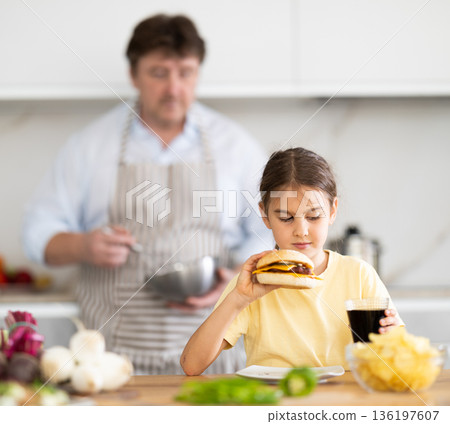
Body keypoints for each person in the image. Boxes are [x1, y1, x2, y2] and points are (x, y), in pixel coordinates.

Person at [22, 14, 272, 374]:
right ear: (133, 75)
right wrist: (82, 246)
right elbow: (37, 231)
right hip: (110, 363)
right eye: (158, 73)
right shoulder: (90, 146)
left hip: (213, 358)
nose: (173, 88)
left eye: (185, 73)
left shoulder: (235, 146)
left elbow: (269, 231)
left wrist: (234, 281)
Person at [180, 147, 403, 376]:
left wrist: (392, 340)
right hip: (273, 403)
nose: (301, 231)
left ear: (333, 210)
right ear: (265, 215)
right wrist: (238, 298)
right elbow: (192, 365)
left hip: (342, 403)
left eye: (313, 216)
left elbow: (396, 361)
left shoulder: (358, 275)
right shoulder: (251, 283)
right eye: (286, 218)